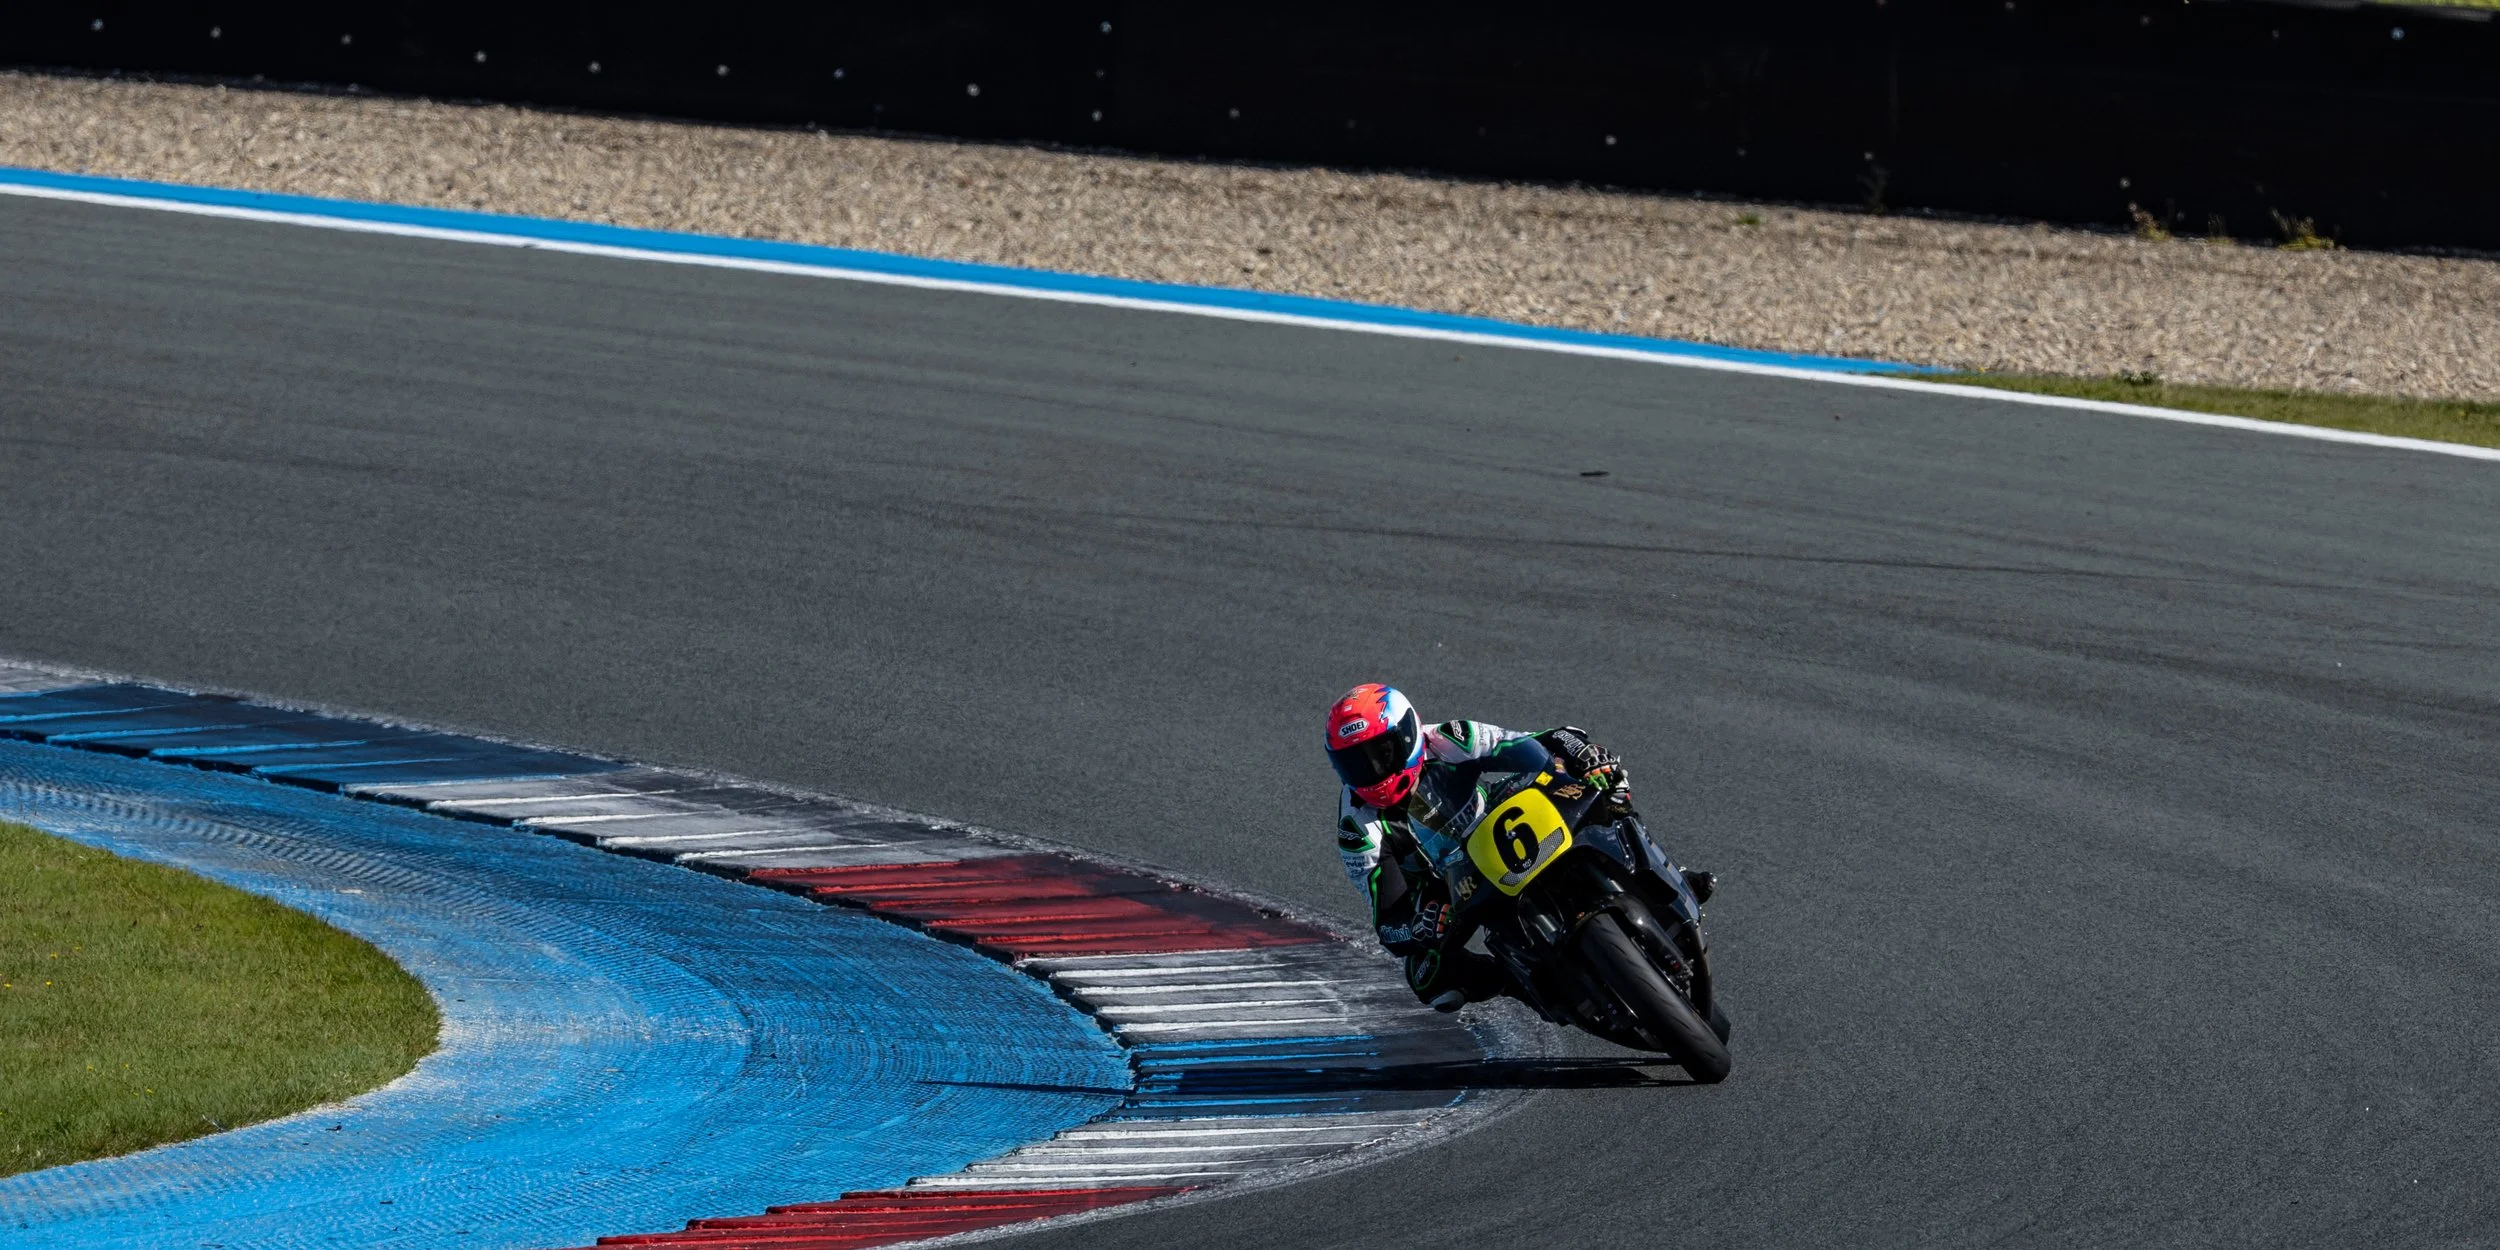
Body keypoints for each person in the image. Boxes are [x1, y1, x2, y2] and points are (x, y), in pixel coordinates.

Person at [1324, 681, 1709, 1012]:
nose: (1372, 772)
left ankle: (1660, 876)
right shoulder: (1357, 828)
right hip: (1451, 887)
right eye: (1355, 764)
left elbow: (1532, 743)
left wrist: (1580, 755)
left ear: (1407, 733)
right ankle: (1519, 981)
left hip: (1499, 822)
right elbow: (1388, 922)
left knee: (1602, 784)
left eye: (1381, 754)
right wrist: (1417, 925)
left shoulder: (1447, 738)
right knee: (1428, 978)